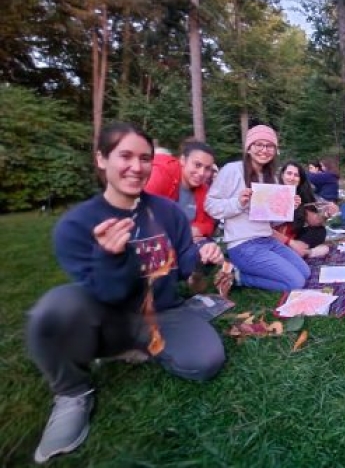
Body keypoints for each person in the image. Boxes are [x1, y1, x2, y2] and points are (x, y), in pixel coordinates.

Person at [26, 123, 226, 464]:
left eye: (145, 158)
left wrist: (204, 261)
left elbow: (188, 276)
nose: (137, 166)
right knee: (54, 309)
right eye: (125, 156)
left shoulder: (169, 213)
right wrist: (110, 256)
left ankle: (143, 347)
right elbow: (108, 292)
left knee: (207, 363)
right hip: (110, 313)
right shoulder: (77, 224)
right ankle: (73, 393)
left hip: (165, 312)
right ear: (102, 159)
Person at [205, 125, 311, 291]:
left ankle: (245, 272)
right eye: (259, 144)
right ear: (249, 148)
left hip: (268, 240)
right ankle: (238, 277)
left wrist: (287, 208)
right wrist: (238, 203)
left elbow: (272, 223)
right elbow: (210, 206)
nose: (264, 150)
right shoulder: (232, 170)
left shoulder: (272, 178)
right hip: (243, 245)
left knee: (305, 272)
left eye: (269, 146)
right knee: (296, 282)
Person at [145, 138, 216, 242]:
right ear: (183, 160)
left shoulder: (203, 190)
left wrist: (197, 230)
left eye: (207, 168)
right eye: (197, 165)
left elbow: (209, 224)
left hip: (185, 243)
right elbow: (143, 211)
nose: (201, 173)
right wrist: (184, 231)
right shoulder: (162, 174)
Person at [274, 161, 338, 259]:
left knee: (319, 231)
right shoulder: (272, 191)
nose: (292, 178)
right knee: (323, 249)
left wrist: (326, 213)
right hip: (273, 237)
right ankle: (305, 253)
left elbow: (313, 221)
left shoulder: (300, 195)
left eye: (296, 175)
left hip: (292, 235)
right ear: (282, 175)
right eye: (289, 173)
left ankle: (297, 252)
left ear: (300, 180)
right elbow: (265, 229)